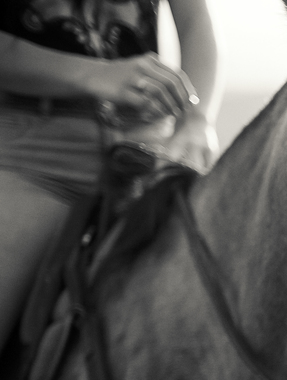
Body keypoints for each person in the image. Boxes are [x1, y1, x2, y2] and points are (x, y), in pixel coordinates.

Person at [0, 0, 221, 352]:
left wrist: (197, 121)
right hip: (34, 157)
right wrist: (97, 74)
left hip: (151, 150)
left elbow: (195, 21)